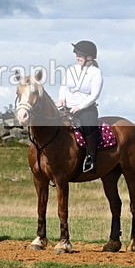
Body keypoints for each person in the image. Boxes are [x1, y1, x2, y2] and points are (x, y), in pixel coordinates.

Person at [56, 40, 103, 173]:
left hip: (86, 109)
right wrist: (61, 99)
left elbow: (94, 95)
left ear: (90, 57)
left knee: (89, 128)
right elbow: (64, 86)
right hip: (67, 107)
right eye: (76, 54)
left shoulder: (96, 73)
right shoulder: (71, 69)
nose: (77, 56)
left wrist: (80, 106)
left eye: (80, 54)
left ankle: (91, 159)